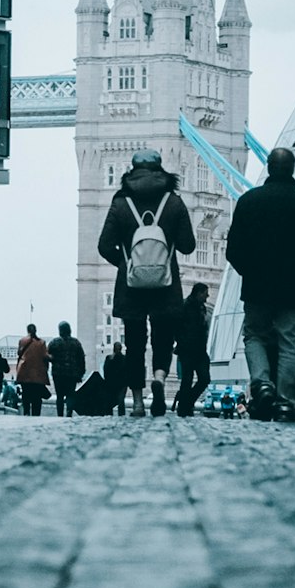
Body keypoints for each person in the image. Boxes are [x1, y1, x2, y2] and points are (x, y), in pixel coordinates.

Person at [98, 150, 195, 416]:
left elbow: (104, 245)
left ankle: (138, 401)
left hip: (131, 287)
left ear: (132, 170)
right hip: (165, 284)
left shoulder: (120, 203)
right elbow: (188, 245)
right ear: (160, 170)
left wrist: (126, 262)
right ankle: (160, 379)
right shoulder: (174, 202)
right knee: (163, 338)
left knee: (135, 343)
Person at [225, 146, 295, 421]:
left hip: (257, 284)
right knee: (291, 342)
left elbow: (233, 250)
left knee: (254, 336)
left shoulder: (249, 201)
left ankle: (262, 383)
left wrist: (249, 271)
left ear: (268, 167)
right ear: (292, 168)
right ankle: (286, 402)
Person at [174, 282, 211, 417]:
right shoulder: (185, 306)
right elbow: (176, 327)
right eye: (205, 294)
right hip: (187, 349)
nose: (207, 297)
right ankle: (184, 407)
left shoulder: (202, 308)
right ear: (199, 293)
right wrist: (181, 342)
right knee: (187, 379)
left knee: (204, 379)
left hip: (200, 350)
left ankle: (186, 401)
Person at [47, 320, 86, 417]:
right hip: (72, 374)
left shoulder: (54, 343)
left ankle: (59, 414)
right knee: (70, 395)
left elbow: (47, 357)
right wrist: (81, 373)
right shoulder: (76, 343)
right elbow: (81, 359)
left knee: (59, 396)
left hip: (58, 373)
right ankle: (69, 413)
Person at [15, 323, 50, 416]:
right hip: (38, 374)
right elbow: (44, 356)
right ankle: (36, 414)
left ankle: (26, 412)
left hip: (24, 373)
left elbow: (19, 353)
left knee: (26, 395)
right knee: (37, 397)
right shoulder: (41, 342)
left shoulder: (22, 341)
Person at [103, 340, 129, 415]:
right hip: (120, 383)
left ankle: (110, 414)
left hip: (112, 383)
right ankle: (120, 415)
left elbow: (106, 370)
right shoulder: (124, 358)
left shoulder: (109, 358)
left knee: (111, 401)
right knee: (120, 401)